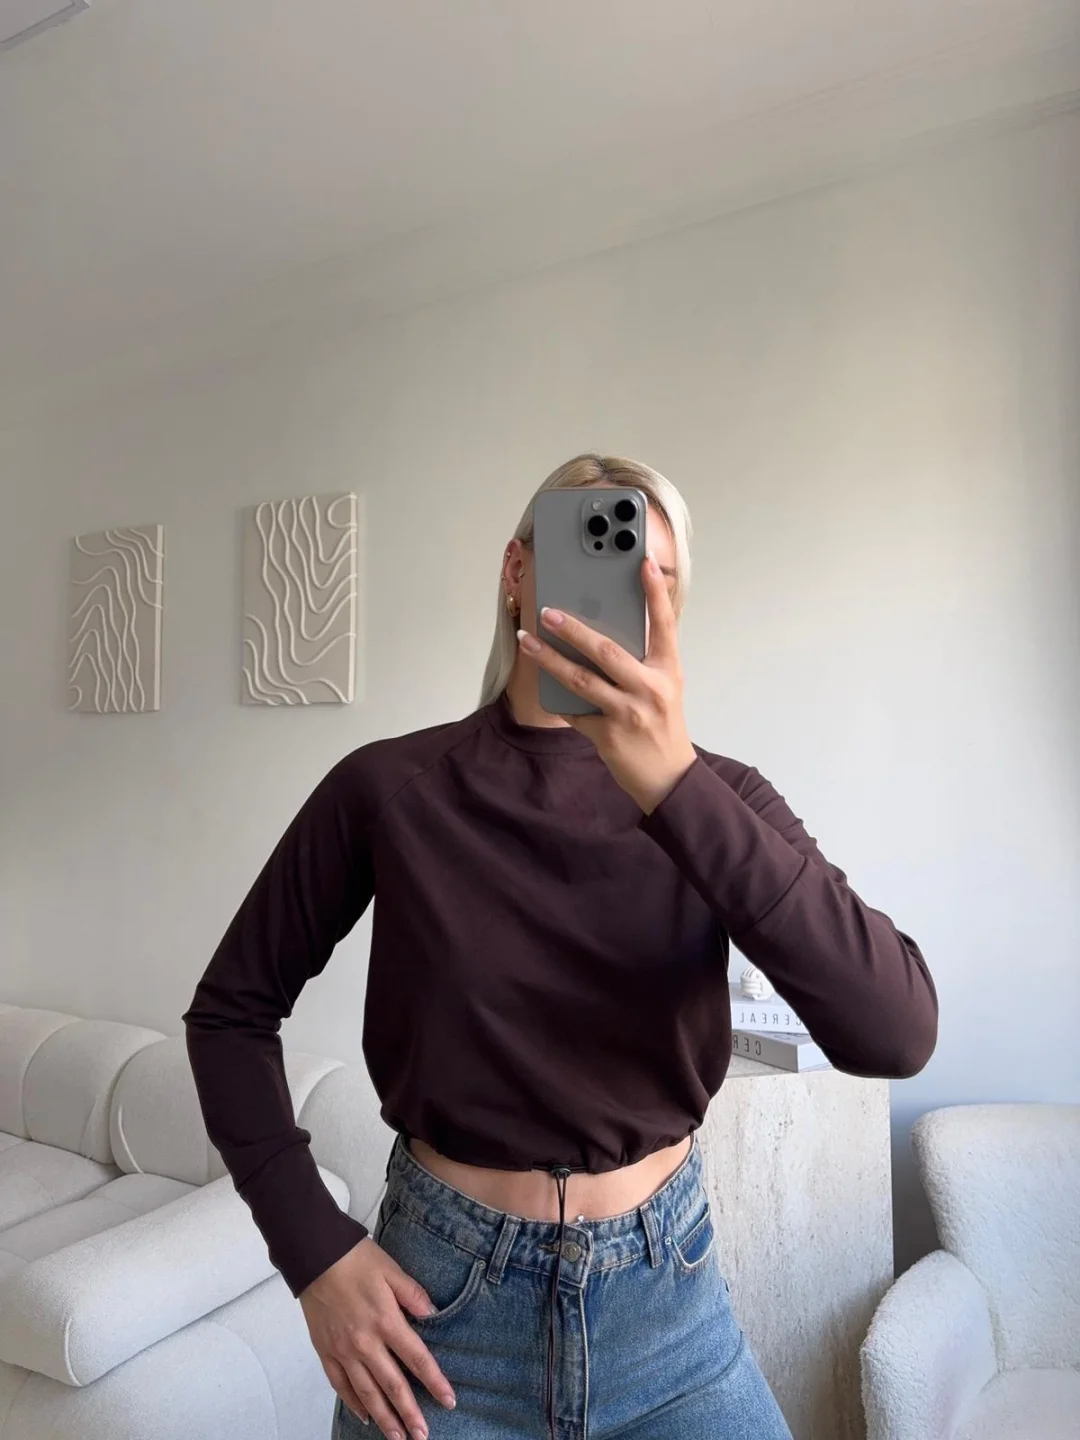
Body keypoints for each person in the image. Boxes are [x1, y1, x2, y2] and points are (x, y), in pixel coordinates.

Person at [183, 453, 938, 1440]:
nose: (625, 591)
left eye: (655, 575)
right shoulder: (390, 789)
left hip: (669, 1313)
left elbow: (895, 1030)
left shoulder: (725, 799)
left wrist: (674, 784)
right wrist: (311, 1248)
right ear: (517, 571)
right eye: (600, 555)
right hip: (438, 1321)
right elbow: (230, 1013)